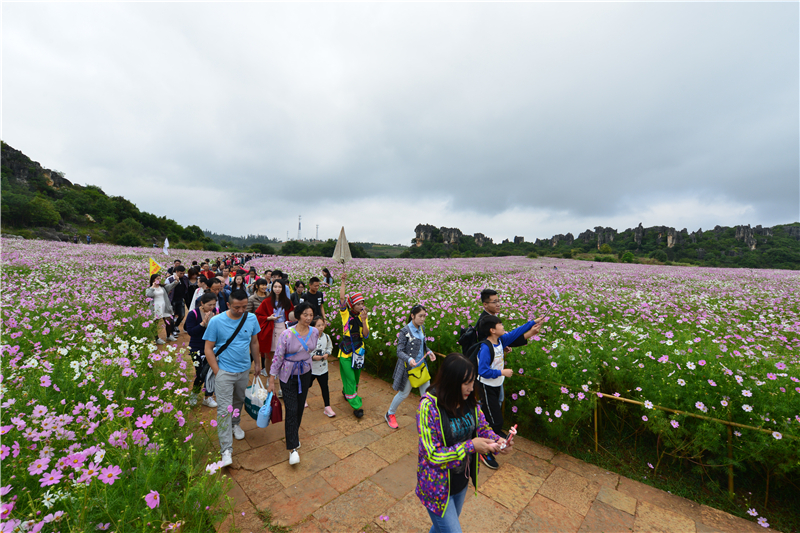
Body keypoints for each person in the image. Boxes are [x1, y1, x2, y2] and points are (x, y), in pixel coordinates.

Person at [416, 353, 511, 532]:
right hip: (436, 487)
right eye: (466, 383)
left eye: (472, 381)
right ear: (451, 382)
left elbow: (483, 429)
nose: (471, 387)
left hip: (460, 481)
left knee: (441, 529)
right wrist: (470, 446)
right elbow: (432, 456)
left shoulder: (470, 404)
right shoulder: (429, 407)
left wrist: (498, 442)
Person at [203, 289, 261, 468]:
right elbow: (208, 348)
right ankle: (226, 450)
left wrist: (257, 364)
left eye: (244, 307)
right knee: (223, 409)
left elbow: (254, 342)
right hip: (224, 372)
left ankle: (236, 424)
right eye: (237, 307)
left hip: (244, 369)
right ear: (228, 305)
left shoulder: (251, 318)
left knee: (238, 400)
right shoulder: (216, 321)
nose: (241, 310)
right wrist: (217, 371)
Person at [475, 314, 541, 470]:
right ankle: (486, 451)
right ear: (492, 330)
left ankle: (489, 437)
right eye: (500, 324)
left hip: (496, 385)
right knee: (495, 420)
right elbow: (482, 371)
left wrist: (533, 322)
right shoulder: (485, 348)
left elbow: (516, 332)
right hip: (486, 386)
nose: (503, 326)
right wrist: (502, 372)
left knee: (489, 416)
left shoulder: (501, 341)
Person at [267, 302, 318, 465]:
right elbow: (278, 357)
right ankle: (293, 447)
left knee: (300, 407)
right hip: (288, 375)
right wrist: (271, 379)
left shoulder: (314, 331)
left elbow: (310, 350)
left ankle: (292, 435)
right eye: (305, 315)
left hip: (305, 373)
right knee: (291, 408)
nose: (308, 318)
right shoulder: (287, 334)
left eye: (311, 315)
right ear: (298, 316)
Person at [385, 305, 436, 429]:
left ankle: (426, 418)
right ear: (412, 316)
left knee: (427, 395)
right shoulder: (405, 331)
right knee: (403, 394)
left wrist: (429, 352)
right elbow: (399, 351)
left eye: (424, 316)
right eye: (420, 316)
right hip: (409, 368)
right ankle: (390, 414)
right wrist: (409, 359)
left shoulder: (422, 328)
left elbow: (424, 345)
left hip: (422, 367)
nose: (422, 319)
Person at [338, 272, 369, 418]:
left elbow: (366, 335)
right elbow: (342, 298)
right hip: (345, 352)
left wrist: (364, 320)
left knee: (356, 379)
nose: (361, 306)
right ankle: (356, 406)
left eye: (362, 303)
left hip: (359, 352)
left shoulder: (363, 317)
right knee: (350, 378)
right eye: (358, 304)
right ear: (352, 305)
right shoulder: (345, 314)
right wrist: (343, 282)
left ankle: (347, 392)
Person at [254, 280, 294, 383]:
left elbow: (292, 316)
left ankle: (282, 380)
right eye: (275, 287)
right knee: (269, 356)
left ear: (283, 288)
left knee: (283, 356)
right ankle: (269, 377)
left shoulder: (287, 301)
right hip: (270, 329)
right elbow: (258, 315)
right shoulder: (267, 301)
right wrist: (268, 318)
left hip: (283, 329)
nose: (277, 289)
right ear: (272, 288)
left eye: (279, 287)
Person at [185, 292, 218, 408]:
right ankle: (194, 394)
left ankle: (208, 397)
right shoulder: (193, 314)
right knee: (200, 373)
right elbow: (191, 332)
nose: (212, 307)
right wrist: (203, 323)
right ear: (202, 303)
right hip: (197, 347)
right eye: (209, 305)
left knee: (211, 373)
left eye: (214, 304)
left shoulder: (215, 312)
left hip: (212, 347)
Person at [309, 315, 335, 417]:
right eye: (318, 325)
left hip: (323, 368)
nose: (321, 327)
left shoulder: (326, 337)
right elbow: (305, 350)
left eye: (322, 325)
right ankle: (303, 400)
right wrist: (313, 357)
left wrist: (327, 354)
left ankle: (327, 407)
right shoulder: (309, 338)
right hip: (312, 369)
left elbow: (330, 347)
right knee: (307, 384)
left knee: (325, 387)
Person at [146, 274, 178, 344]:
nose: (159, 280)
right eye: (157, 279)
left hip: (165, 306)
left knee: (168, 322)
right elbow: (149, 295)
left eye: (160, 278)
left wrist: (176, 281)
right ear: (153, 280)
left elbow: (171, 286)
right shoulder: (149, 289)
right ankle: (157, 339)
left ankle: (168, 336)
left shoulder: (163, 287)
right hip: (156, 308)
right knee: (155, 324)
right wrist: (153, 286)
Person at [165, 266, 189, 334]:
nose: (182, 275)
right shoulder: (170, 279)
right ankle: (172, 331)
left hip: (181, 299)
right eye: (181, 273)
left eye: (184, 273)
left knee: (182, 315)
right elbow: (166, 288)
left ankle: (176, 326)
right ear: (176, 272)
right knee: (172, 316)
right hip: (172, 300)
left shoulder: (185, 278)